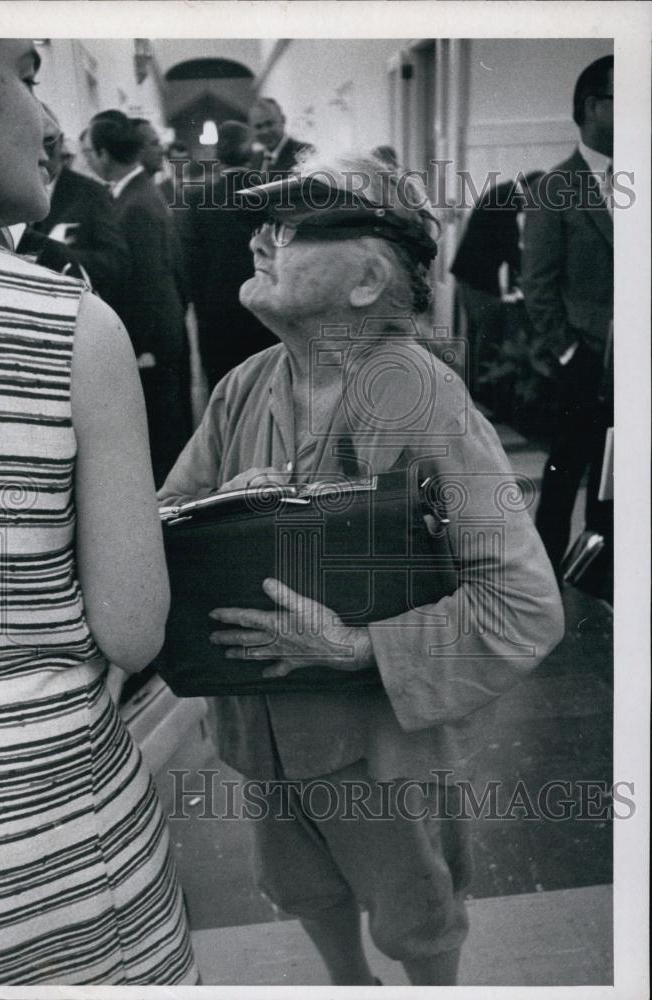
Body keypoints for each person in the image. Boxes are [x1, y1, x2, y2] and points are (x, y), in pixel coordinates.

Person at [159, 153, 564, 986]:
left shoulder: (426, 401)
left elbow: (525, 604)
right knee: (301, 885)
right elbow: (165, 523)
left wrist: (356, 649)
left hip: (377, 749)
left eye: (298, 227)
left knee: (417, 909)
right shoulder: (244, 385)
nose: (264, 238)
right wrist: (221, 509)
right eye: (268, 222)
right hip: (258, 730)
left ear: (368, 279)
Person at [0, 39, 198, 985]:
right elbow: (132, 628)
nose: (50, 124)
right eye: (26, 75)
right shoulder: (64, 323)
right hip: (34, 836)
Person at [520, 55, 613, 594]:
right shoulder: (556, 188)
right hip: (584, 360)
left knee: (617, 476)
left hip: (632, 359)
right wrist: (570, 355)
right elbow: (538, 288)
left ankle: (602, 571)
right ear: (592, 107)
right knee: (565, 473)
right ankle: (542, 582)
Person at [82, 112, 192, 486]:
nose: (86, 160)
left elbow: (147, 281)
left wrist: (141, 347)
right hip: (162, 333)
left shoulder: (135, 204)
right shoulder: (138, 194)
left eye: (88, 152)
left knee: (162, 438)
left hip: (152, 343)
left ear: (104, 155)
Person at [188, 120, 278, 389]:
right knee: (268, 387)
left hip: (218, 312)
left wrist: (201, 308)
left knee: (225, 391)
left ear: (217, 155)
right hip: (267, 306)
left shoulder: (199, 197)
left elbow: (193, 262)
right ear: (251, 152)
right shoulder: (272, 193)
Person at [16, 103, 131, 311]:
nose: (42, 154)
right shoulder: (13, 194)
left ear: (61, 143)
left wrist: (59, 254)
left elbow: (116, 261)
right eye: (34, 142)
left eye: (49, 142)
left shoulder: (90, 192)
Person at [451, 172, 544, 396]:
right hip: (477, 277)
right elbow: (510, 247)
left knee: (476, 334)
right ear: (530, 189)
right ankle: (481, 393)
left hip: (470, 273)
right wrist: (530, 273)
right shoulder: (507, 198)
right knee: (488, 332)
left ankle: (471, 390)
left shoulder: (504, 193)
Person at [248, 97, 313, 177]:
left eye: (269, 124)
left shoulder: (304, 152)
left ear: (283, 120)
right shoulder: (254, 161)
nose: (265, 131)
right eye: (258, 126)